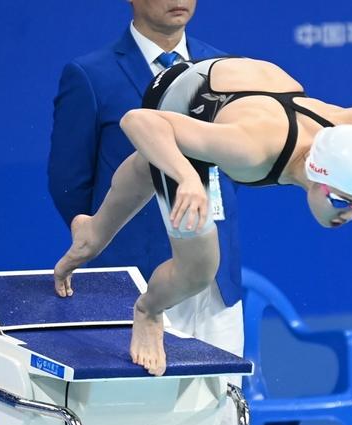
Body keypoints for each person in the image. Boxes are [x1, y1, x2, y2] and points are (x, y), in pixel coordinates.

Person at [54, 53, 352, 377]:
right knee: (198, 262)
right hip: (180, 95)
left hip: (244, 88)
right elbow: (140, 121)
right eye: (343, 200)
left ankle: (92, 231)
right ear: (315, 172)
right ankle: (148, 311)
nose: (350, 214)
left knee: (149, 174)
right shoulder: (253, 149)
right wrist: (187, 178)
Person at [47, 0, 244, 400]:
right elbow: (69, 183)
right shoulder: (91, 75)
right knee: (137, 410)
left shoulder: (226, 69)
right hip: (133, 281)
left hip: (215, 283)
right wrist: (111, 238)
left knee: (220, 409)